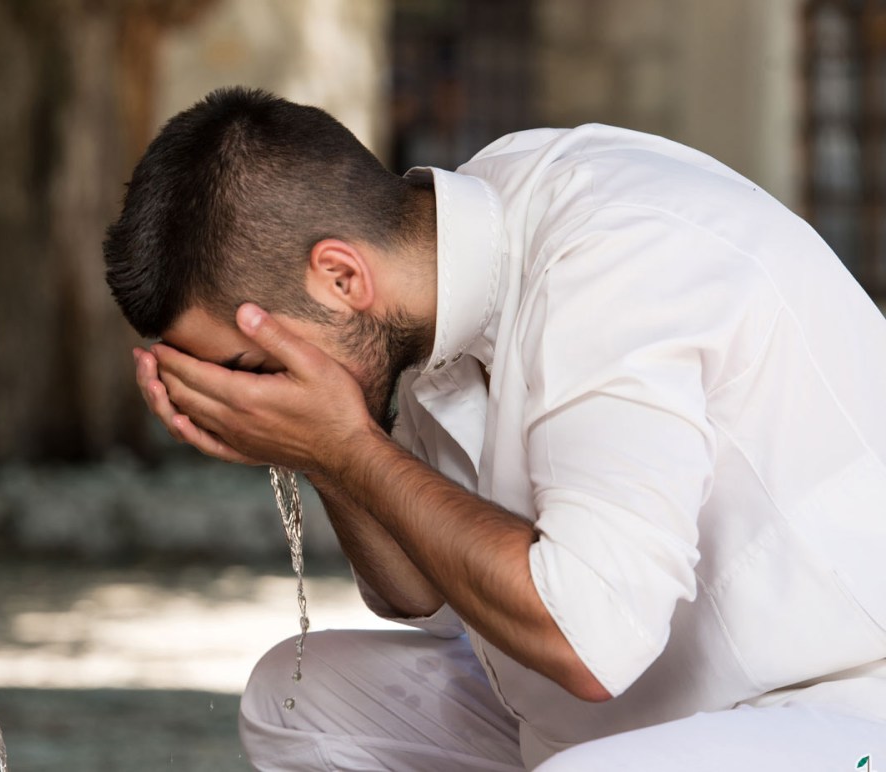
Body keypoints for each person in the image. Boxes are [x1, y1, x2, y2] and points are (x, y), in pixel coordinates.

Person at [103, 87, 886, 770]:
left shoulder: (613, 265)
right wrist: (323, 454)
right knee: (296, 699)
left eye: (248, 362)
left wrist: (341, 443)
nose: (249, 392)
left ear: (342, 277)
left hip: (840, 704)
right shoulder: (436, 263)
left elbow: (587, 644)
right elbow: (417, 592)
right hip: (651, 709)